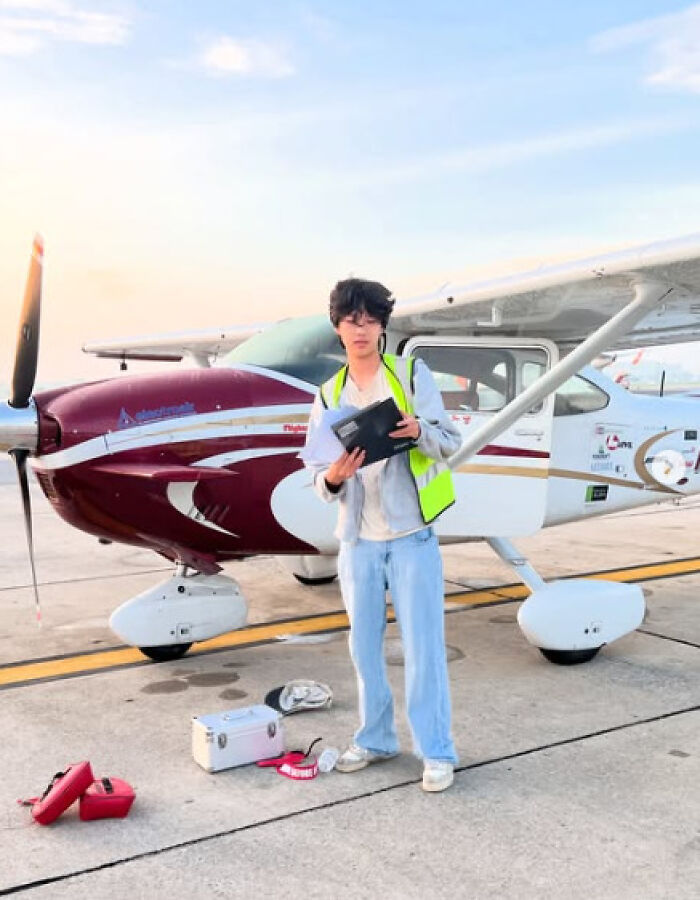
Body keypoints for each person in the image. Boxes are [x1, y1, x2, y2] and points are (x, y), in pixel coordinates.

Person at [304, 278, 461, 793]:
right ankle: (375, 739)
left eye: (370, 318)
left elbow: (448, 442)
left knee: (423, 648)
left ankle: (436, 751)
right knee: (363, 648)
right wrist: (334, 476)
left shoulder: (411, 374)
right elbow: (319, 474)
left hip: (412, 536)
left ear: (383, 326)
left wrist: (419, 432)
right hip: (357, 541)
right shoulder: (328, 393)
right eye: (351, 319)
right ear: (337, 327)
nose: (360, 328)